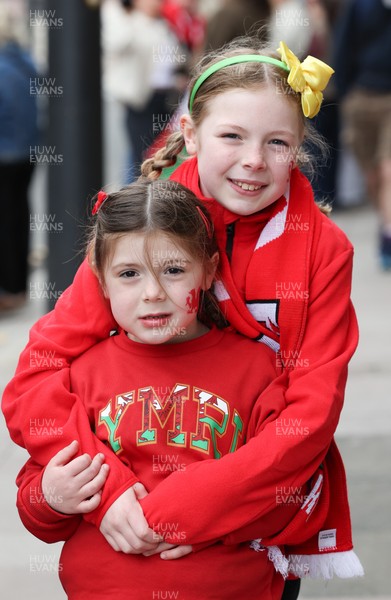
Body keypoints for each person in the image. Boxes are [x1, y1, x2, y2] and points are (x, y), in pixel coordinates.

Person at [3, 36, 363, 597]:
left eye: (277, 142)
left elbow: (310, 413)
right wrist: (113, 491)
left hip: (255, 511)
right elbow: (38, 373)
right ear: (191, 134)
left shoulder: (323, 249)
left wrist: (186, 509)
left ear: (299, 147)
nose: (253, 160)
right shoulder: (141, 229)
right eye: (231, 136)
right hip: (122, 518)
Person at [15, 177, 319, 599]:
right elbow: (37, 508)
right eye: (129, 274)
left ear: (209, 269)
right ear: (100, 281)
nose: (153, 293)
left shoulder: (259, 370)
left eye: (174, 270)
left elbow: (287, 494)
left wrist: (214, 518)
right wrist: (52, 496)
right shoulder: (78, 378)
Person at [333, 0, 391, 269]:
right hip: (362, 98)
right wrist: (346, 95)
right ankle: (386, 220)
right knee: (373, 175)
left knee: (388, 169)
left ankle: (388, 235)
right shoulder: (361, 6)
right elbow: (343, 46)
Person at [0, 6, 40, 310]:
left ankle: (8, 289)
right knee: (17, 217)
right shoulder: (23, 60)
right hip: (26, 152)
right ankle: (16, 287)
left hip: (6, 152)